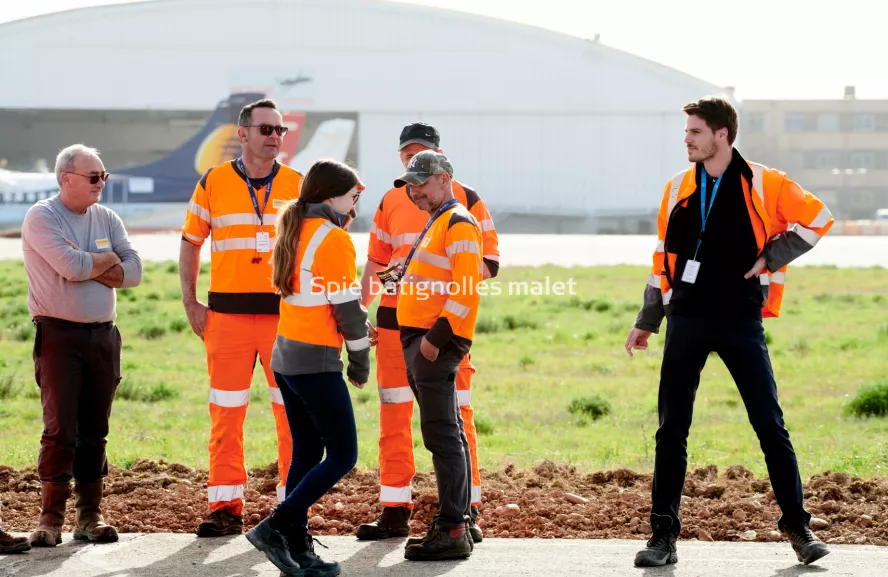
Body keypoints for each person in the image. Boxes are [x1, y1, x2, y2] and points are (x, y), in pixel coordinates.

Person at [625, 96, 834, 567]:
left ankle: (799, 531)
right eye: (686, 132)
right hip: (687, 318)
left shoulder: (766, 181)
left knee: (769, 426)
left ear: (722, 134)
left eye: (695, 132)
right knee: (671, 430)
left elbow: (819, 219)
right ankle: (662, 538)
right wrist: (647, 319)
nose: (687, 139)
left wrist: (773, 255)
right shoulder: (677, 186)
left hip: (740, 318)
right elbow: (663, 257)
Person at [357, 122, 499, 543]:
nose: (410, 163)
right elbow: (377, 262)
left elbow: (483, 265)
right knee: (394, 415)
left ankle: (463, 513)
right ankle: (395, 509)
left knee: (452, 422)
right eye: (405, 155)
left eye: (419, 155)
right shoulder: (393, 199)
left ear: (440, 163)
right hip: (396, 323)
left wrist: (436, 313)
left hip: (437, 330)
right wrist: (369, 303)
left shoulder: (464, 206)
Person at [179, 98, 302, 537]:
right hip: (225, 318)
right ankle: (226, 507)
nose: (274, 137)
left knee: (291, 414)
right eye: (266, 129)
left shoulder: (297, 184)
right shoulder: (212, 181)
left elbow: (316, 251)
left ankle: (292, 507)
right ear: (243, 133)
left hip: (283, 320)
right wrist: (191, 302)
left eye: (280, 130)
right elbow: (191, 241)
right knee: (226, 413)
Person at [245, 160, 371, 577]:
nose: (356, 201)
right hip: (314, 362)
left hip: (286, 357)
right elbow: (348, 311)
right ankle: (277, 527)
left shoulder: (296, 226)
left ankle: (296, 550)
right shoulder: (333, 238)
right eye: (354, 194)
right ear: (331, 195)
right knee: (343, 454)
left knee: (307, 451)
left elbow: (320, 297)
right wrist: (359, 358)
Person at [21, 144, 143, 547]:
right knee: (60, 431)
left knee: (97, 430)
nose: (101, 183)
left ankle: (89, 517)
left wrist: (89, 262)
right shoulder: (42, 217)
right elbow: (70, 268)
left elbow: (135, 272)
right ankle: (50, 519)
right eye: (94, 177)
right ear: (65, 178)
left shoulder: (107, 216)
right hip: (59, 335)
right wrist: (106, 260)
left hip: (103, 336)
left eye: (104, 176)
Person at [384, 150, 482, 561]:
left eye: (420, 183)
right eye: (410, 184)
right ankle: (455, 523)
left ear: (444, 178)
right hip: (423, 339)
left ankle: (453, 529)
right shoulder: (439, 220)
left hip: (434, 343)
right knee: (448, 434)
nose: (413, 191)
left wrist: (432, 341)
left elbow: (465, 288)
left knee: (442, 437)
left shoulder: (458, 221)